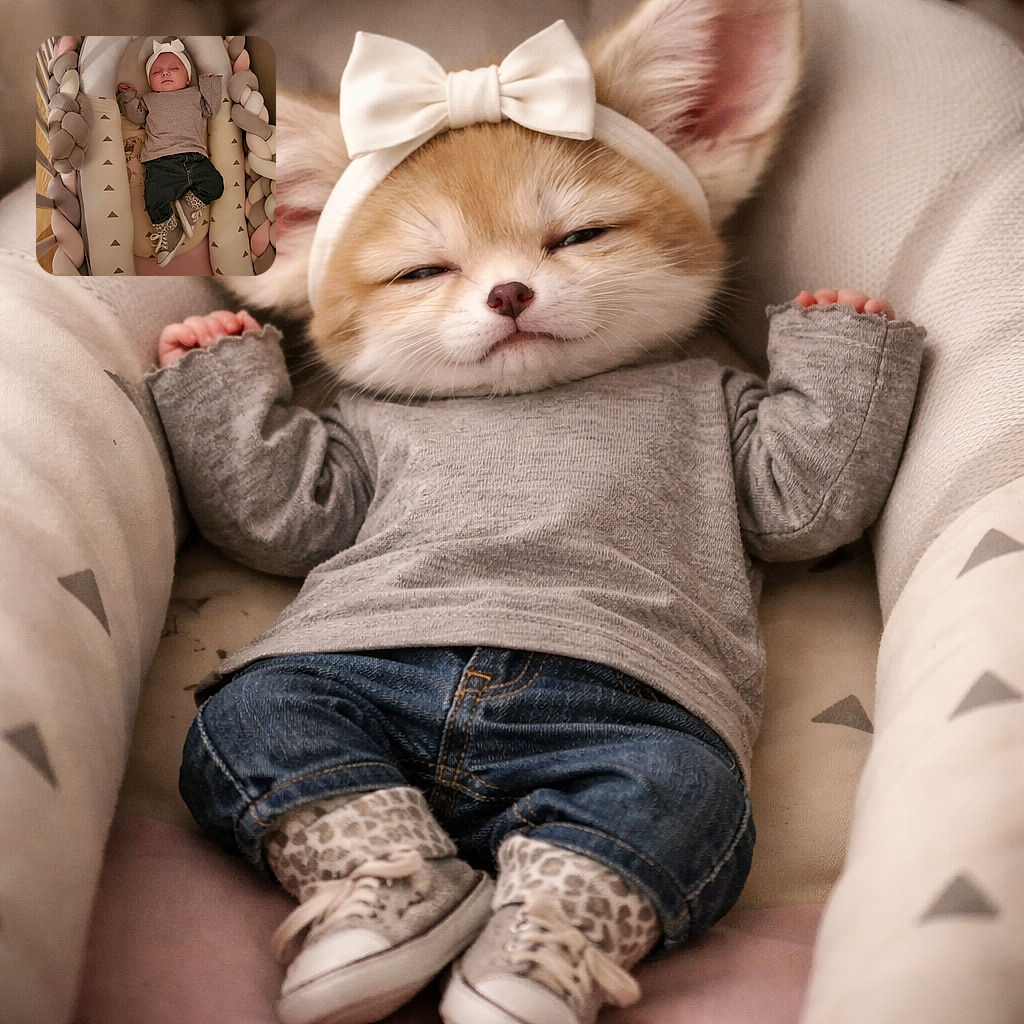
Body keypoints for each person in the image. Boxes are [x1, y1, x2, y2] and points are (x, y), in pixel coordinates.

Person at [117, 38, 224, 266]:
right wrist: (128, 96)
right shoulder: (149, 100)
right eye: (157, 71)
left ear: (187, 78)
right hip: (160, 161)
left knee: (216, 184)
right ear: (150, 82)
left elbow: (213, 109)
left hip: (195, 157)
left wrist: (209, 84)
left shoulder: (195, 94)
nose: (165, 73)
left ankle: (187, 205)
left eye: (173, 69)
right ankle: (170, 232)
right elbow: (135, 116)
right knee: (154, 199)